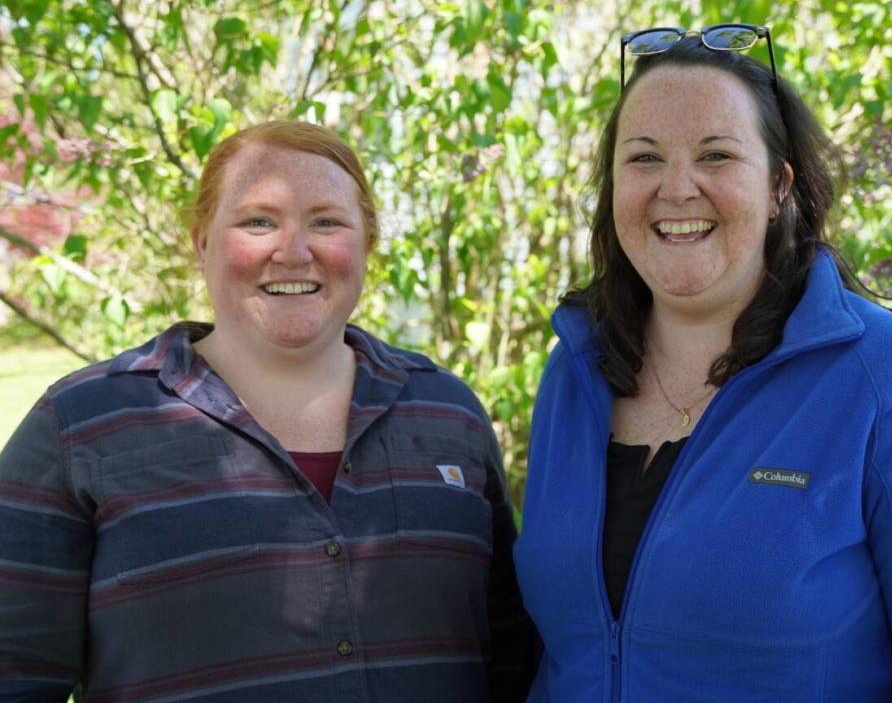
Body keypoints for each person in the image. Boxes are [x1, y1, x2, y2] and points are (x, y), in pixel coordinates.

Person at [0, 120, 536, 702]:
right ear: (202, 241)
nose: (293, 251)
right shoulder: (81, 427)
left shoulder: (446, 414)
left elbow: (513, 662)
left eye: (326, 222)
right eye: (259, 221)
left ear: (367, 242)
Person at [513, 25, 892, 701]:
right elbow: (563, 654)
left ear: (779, 184)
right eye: (643, 159)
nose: (677, 187)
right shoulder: (574, 375)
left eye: (716, 155)